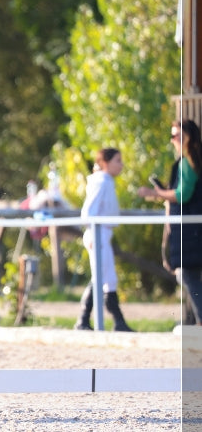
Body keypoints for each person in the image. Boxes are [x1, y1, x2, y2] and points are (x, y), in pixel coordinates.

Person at [138, 119, 202, 324]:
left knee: (187, 275)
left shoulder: (187, 162)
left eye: (176, 135)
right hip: (194, 230)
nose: (173, 139)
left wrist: (156, 193)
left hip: (191, 231)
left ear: (188, 137)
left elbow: (182, 194)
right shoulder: (193, 160)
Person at [75, 147, 133, 332]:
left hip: (103, 233)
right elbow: (88, 212)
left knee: (108, 278)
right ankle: (85, 320)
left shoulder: (106, 181)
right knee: (101, 277)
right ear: (105, 163)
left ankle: (117, 322)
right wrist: (92, 233)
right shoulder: (101, 182)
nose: (121, 165)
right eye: (117, 160)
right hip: (98, 234)